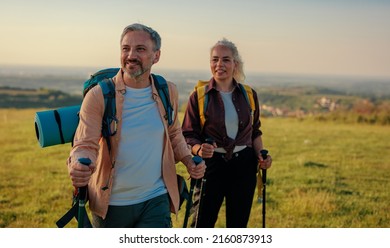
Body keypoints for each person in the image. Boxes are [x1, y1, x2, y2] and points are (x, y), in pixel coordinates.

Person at [67, 23, 206, 228]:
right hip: (111, 204)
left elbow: (174, 133)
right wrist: (78, 163)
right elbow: (85, 143)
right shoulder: (99, 96)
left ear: (156, 56)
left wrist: (188, 159)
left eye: (140, 49)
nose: (131, 55)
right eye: (126, 49)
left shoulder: (167, 91)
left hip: (156, 198)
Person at [181, 38, 272, 228]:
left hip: (244, 166)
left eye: (225, 59)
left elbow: (255, 131)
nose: (219, 64)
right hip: (211, 167)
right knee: (201, 224)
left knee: (238, 225)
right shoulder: (198, 96)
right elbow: (188, 134)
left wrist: (262, 156)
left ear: (235, 64)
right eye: (215, 59)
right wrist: (198, 149)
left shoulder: (249, 95)